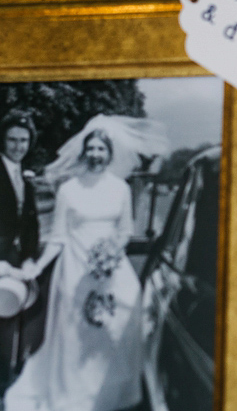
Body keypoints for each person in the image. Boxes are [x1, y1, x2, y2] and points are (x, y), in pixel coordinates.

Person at [5, 115, 168, 411]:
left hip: (111, 269)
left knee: (120, 323)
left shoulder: (121, 189)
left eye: (101, 149)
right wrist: (38, 267)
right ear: (84, 152)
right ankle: (73, 396)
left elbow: (125, 232)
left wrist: (110, 254)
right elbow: (58, 237)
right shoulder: (68, 189)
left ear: (110, 153)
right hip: (74, 270)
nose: (95, 155)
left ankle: (111, 394)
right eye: (90, 149)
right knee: (74, 333)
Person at [0, 111, 41, 391]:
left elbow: (31, 226)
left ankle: (5, 383)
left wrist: (28, 258)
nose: (18, 146)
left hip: (16, 262)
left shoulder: (26, 180)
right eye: (12, 139)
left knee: (7, 323)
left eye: (24, 140)